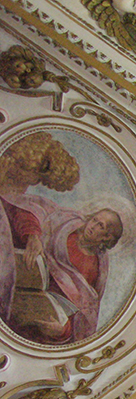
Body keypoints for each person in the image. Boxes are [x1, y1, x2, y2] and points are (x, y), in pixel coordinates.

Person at [0, 132, 124, 344]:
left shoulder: (94, 269)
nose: (93, 226)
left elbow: (84, 311)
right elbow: (30, 210)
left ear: (107, 238)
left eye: (101, 227)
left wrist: (63, 331)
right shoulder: (63, 223)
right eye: (95, 220)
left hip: (30, 316)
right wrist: (33, 235)